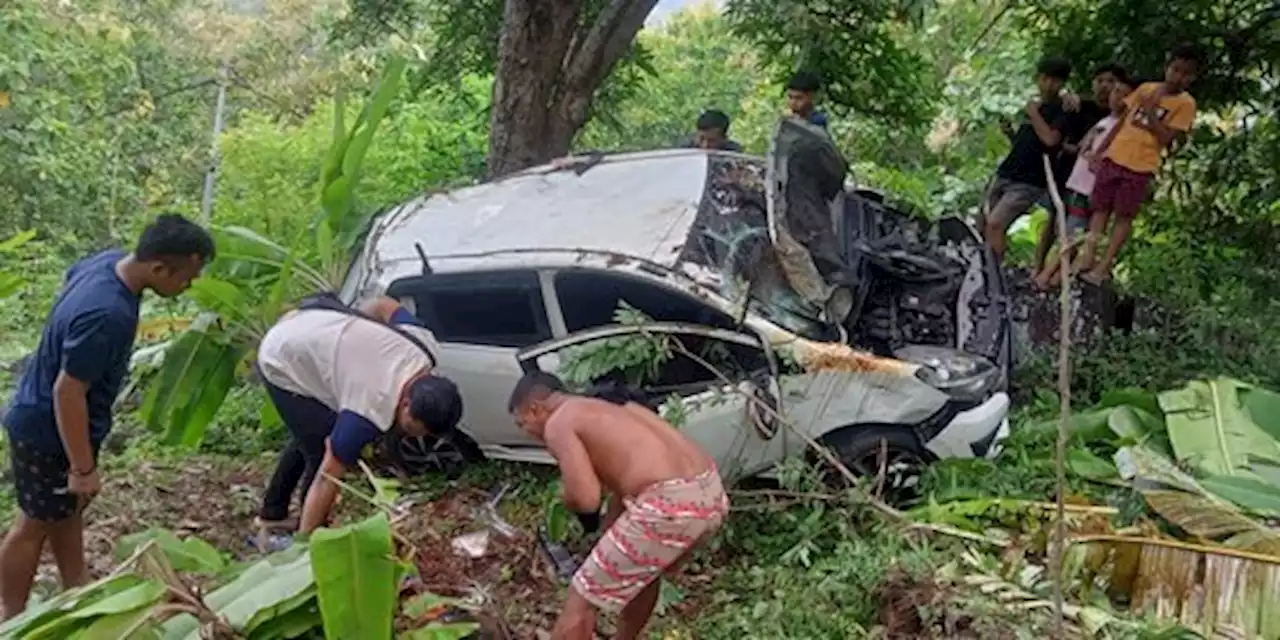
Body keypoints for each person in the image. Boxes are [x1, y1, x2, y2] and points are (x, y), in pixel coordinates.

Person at [0, 214, 214, 619]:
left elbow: (70, 289)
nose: (189, 284)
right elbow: (68, 391)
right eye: (187, 275)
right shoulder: (108, 314)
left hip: (51, 418)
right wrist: (82, 466)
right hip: (48, 429)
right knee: (32, 525)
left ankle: (76, 589)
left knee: (65, 510)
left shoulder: (105, 264)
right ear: (158, 268)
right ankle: (9, 615)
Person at [507, 372, 729, 640]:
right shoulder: (618, 409)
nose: (526, 432)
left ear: (536, 408)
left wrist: (566, 498)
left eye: (523, 423)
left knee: (580, 599)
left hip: (667, 503)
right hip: (710, 491)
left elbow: (586, 498)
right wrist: (605, 535)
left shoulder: (559, 422)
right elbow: (623, 489)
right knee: (645, 575)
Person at [254, 294, 463, 535]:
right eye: (411, 429)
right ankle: (309, 535)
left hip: (313, 323)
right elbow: (327, 478)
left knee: (310, 433)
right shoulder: (370, 407)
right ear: (405, 404)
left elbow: (383, 304)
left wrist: (357, 328)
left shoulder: (424, 346)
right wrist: (308, 544)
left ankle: (273, 513)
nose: (412, 437)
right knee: (319, 449)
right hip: (281, 355)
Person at [1077, 44, 1202, 284]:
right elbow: (1123, 121)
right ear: (1167, 67)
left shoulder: (1186, 104)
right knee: (1100, 209)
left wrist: (1151, 113)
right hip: (1115, 157)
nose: (1178, 77)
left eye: (1185, 73)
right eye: (1175, 69)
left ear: (1192, 78)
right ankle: (1088, 257)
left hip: (1140, 166)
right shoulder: (1146, 89)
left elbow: (1166, 139)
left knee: (1123, 216)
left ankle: (1104, 266)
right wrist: (1101, 151)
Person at [1034, 74, 1134, 289]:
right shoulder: (1104, 121)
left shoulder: (1127, 129)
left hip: (1095, 188)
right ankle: (1052, 276)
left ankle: (1053, 276)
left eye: (1126, 95)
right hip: (1079, 184)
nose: (1118, 98)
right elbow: (1083, 147)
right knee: (1073, 233)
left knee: (1078, 234)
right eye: (1116, 92)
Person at [980, 56, 1073, 259]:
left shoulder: (1063, 111)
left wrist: (1034, 114)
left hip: (1029, 180)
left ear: (1062, 83)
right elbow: (1030, 143)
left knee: (996, 223)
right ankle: (985, 265)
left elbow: (1050, 140)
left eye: (1055, 80)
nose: (1048, 85)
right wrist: (1012, 134)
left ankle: (993, 275)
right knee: (984, 222)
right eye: (1045, 79)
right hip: (1007, 171)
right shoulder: (1035, 106)